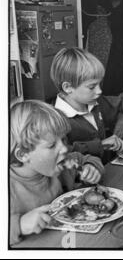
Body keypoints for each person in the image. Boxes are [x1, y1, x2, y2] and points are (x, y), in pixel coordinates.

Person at [9, 100, 105, 245]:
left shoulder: (65, 163)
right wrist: (19, 225)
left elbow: (89, 159)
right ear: (23, 154)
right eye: (52, 145)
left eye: (63, 139)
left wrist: (91, 167)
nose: (64, 148)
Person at [50, 47, 123, 163]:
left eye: (99, 84)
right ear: (68, 88)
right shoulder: (54, 120)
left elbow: (122, 100)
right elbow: (64, 152)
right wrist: (100, 145)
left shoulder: (96, 102)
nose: (99, 91)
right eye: (92, 87)